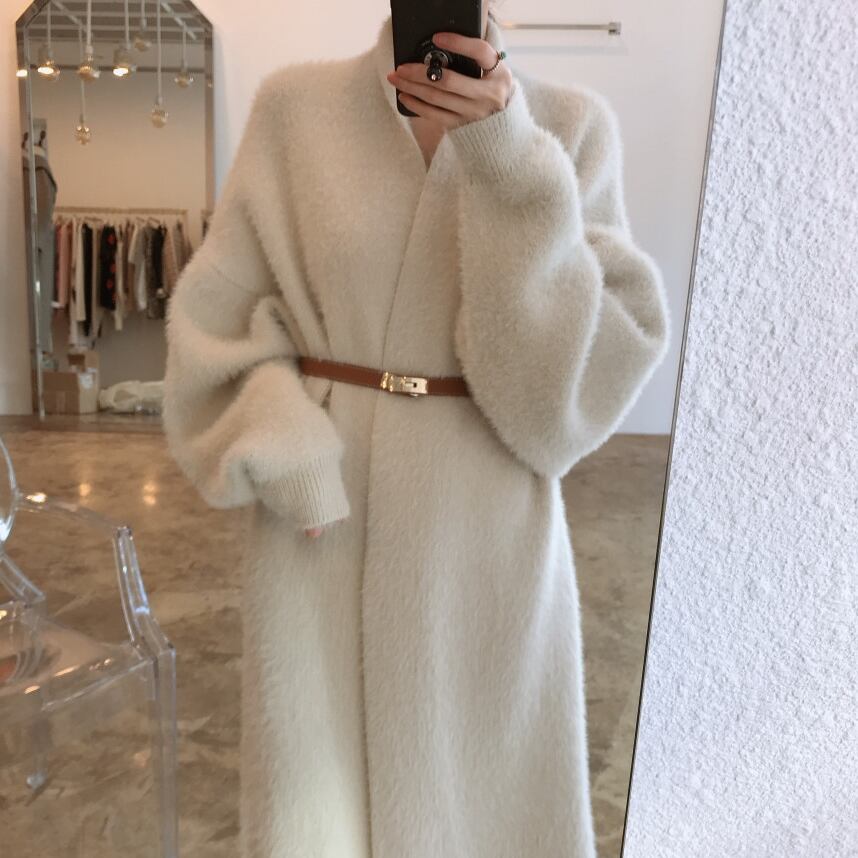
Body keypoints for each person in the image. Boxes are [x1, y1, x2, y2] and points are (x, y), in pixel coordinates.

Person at [163, 4, 670, 857]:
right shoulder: (295, 113)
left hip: (487, 533)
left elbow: (561, 407)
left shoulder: (572, 128)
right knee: (318, 801)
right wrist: (287, 450)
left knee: (487, 801)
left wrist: (508, 161)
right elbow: (218, 322)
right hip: (321, 525)